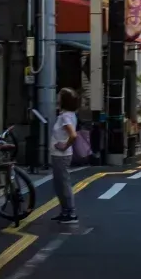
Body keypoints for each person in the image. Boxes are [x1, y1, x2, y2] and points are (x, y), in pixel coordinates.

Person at [48, 92, 82, 225]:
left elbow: (73, 135)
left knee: (63, 184)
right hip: (59, 155)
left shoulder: (65, 116)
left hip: (61, 155)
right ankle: (65, 211)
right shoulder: (67, 115)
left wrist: (64, 146)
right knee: (59, 184)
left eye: (59, 96)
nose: (57, 97)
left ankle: (71, 213)